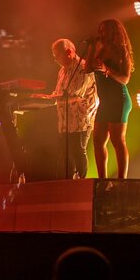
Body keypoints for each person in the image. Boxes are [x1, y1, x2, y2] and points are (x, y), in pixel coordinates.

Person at [32, 38, 98, 179]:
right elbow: (60, 93)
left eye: (57, 55)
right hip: (65, 121)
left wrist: (49, 98)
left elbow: (76, 93)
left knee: (78, 151)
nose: (55, 59)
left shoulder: (83, 68)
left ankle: (81, 182)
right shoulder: (62, 71)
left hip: (80, 120)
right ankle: (67, 184)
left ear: (69, 52)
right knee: (65, 157)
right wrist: (44, 97)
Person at [84, 19, 134, 179]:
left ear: (113, 32)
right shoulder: (100, 49)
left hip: (119, 99)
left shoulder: (121, 51)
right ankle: (102, 180)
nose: (100, 33)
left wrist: (107, 70)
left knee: (117, 140)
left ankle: (122, 180)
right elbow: (87, 69)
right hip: (105, 102)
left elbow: (125, 79)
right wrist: (91, 47)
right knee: (98, 140)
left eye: (104, 30)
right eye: (99, 30)